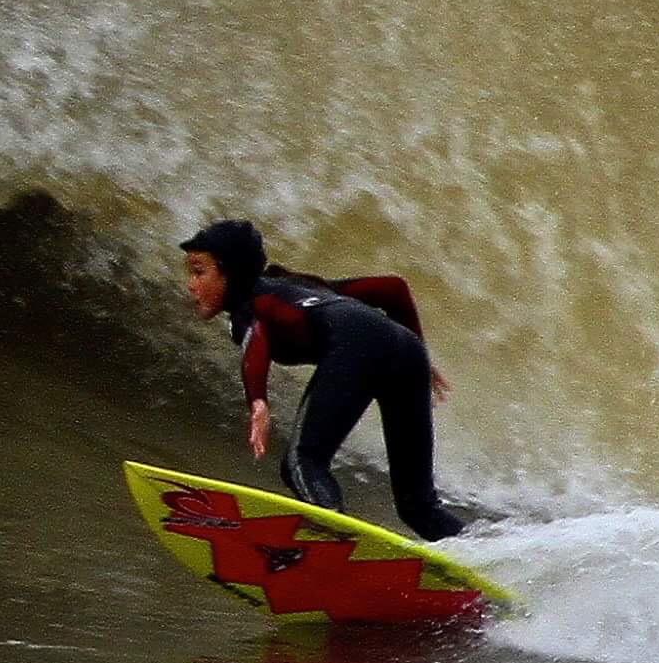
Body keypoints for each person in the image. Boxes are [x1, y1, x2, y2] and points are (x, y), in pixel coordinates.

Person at [176, 219, 467, 541]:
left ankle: (333, 540)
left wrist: (257, 400)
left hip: (356, 346)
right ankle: (500, 556)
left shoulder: (250, 305)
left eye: (199, 272)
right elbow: (393, 289)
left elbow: (256, 340)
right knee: (419, 507)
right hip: (406, 349)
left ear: (230, 273)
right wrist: (421, 358)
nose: (190, 284)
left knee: (302, 462)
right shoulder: (302, 287)